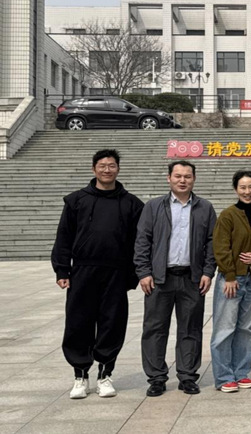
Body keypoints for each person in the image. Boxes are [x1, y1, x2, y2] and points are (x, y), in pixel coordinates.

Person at [51, 149, 144, 399]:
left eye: (111, 166)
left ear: (118, 169)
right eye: (102, 166)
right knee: (78, 322)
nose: (107, 170)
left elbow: (138, 242)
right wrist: (62, 268)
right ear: (94, 169)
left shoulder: (131, 204)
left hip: (115, 272)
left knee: (112, 323)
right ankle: (80, 375)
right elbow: (64, 236)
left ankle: (105, 374)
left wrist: (133, 275)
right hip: (83, 270)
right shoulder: (76, 200)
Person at [134, 160, 217, 396]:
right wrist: (144, 272)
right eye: (178, 176)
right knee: (155, 328)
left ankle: (188, 376)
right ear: (169, 178)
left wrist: (207, 271)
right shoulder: (153, 207)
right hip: (159, 278)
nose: (182, 180)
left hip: (192, 278)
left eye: (187, 176)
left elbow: (212, 242)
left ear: (194, 179)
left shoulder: (204, 207)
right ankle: (156, 378)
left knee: (190, 328)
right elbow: (142, 240)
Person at [210, 171, 251, 393]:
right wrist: (229, 275)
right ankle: (224, 377)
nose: (247, 191)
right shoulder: (228, 215)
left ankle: (241, 373)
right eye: (243, 187)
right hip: (231, 280)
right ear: (236, 189)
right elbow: (220, 247)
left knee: (246, 328)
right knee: (224, 328)